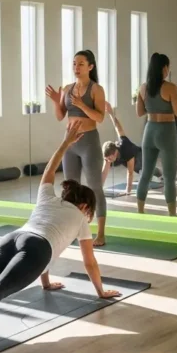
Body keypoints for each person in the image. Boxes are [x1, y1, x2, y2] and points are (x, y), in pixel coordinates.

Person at [0, 122, 121, 349]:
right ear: (84, 205)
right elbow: (89, 262)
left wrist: (65, 143)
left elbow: (51, 168)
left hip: (14, 237)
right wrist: (100, 291)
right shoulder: (80, 220)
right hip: (38, 248)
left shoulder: (48, 198)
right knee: (1, 286)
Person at [46, 50, 109, 246]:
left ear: (90, 66)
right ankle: (72, 230)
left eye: (81, 64)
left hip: (89, 141)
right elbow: (60, 116)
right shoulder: (67, 88)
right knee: (70, 188)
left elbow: (99, 117)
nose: (76, 67)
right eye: (74, 64)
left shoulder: (96, 90)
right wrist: (57, 101)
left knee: (95, 187)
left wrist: (82, 104)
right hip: (70, 142)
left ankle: (101, 233)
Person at [134, 53, 177, 216]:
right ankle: (172, 215)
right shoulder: (171, 88)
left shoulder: (143, 87)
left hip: (149, 130)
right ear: (164, 68)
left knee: (146, 173)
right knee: (169, 177)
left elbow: (139, 112)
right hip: (166, 131)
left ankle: (140, 211)